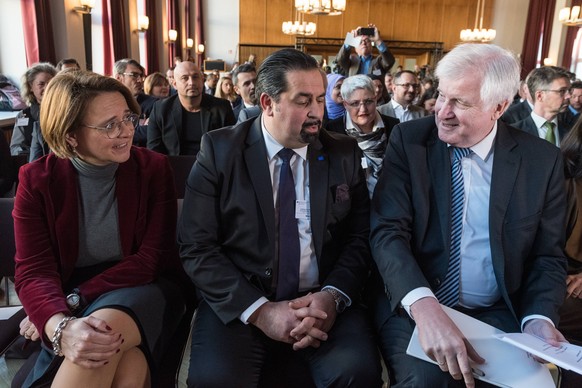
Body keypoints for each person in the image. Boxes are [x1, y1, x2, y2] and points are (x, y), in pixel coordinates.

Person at [178, 48, 382, 387]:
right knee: (215, 379)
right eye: (303, 101)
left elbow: (359, 237)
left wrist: (331, 296)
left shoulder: (342, 153)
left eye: (319, 99)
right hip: (243, 296)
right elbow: (196, 246)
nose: (317, 112)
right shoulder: (221, 151)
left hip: (322, 298)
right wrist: (260, 311)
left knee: (356, 373)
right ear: (268, 103)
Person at [370, 43, 568, 387]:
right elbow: (388, 233)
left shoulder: (541, 161)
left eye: (460, 102)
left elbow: (547, 255)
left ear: (499, 107)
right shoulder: (410, 141)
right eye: (442, 96)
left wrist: (538, 318)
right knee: (427, 383)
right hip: (417, 304)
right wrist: (425, 307)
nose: (442, 111)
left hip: (499, 310)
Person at [13, 70, 189, 387]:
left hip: (145, 285)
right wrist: (59, 327)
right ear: (70, 136)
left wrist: (71, 303)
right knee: (127, 367)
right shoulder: (36, 180)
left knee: (101, 334)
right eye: (110, 125)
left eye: (128, 118)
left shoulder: (152, 169)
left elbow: (150, 260)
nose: (126, 132)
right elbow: (33, 270)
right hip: (70, 294)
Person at [326, 74, 398, 197]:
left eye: (368, 101)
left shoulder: (393, 126)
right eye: (355, 103)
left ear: (376, 99)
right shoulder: (332, 131)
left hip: (389, 199)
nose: (363, 109)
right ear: (345, 104)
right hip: (352, 205)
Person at [147, 61, 235, 156]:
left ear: (202, 80)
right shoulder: (161, 109)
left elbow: (231, 146)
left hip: (212, 167)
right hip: (173, 167)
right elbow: (154, 150)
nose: (191, 83)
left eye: (195, 77)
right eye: (184, 78)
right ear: (175, 84)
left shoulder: (222, 108)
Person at [513, 66, 572, 146]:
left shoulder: (572, 132)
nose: (568, 96)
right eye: (562, 91)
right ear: (540, 96)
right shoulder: (514, 133)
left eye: (569, 91)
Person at [10, 62, 56, 158]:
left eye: (51, 84)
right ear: (30, 87)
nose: (47, 88)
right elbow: (15, 148)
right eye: (41, 84)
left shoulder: (64, 111)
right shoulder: (23, 115)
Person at [113, 58, 157, 146]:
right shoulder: (107, 104)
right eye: (134, 75)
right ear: (118, 78)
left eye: (141, 76)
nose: (140, 80)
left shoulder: (154, 104)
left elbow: (152, 132)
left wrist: (117, 135)